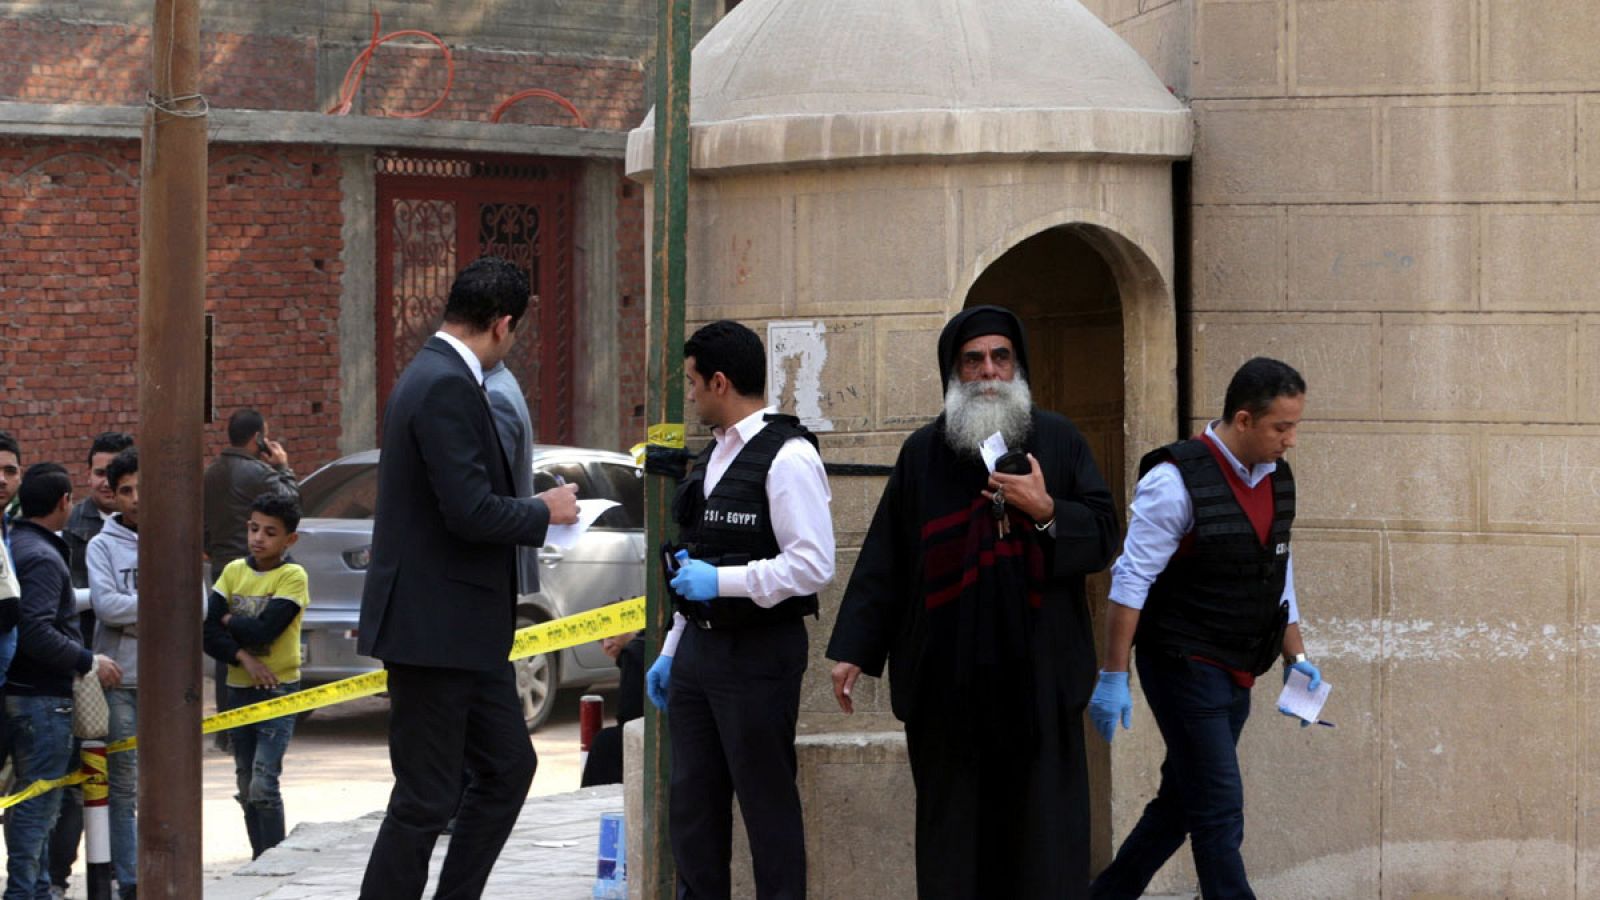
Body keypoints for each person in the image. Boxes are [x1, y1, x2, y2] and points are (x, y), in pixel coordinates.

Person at [825, 305, 1119, 899]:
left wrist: (1047, 510)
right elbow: (887, 558)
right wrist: (855, 649)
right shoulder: (922, 454)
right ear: (954, 372)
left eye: (1000, 357)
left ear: (1018, 367)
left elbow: (1105, 535)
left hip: (1038, 684)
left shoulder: (1058, 441)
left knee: (1042, 846)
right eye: (974, 360)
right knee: (954, 848)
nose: (989, 372)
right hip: (948, 687)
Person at [356, 255, 579, 900]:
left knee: (508, 768)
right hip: (434, 630)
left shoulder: (440, 376)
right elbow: (470, 510)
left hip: (465, 633)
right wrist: (546, 510)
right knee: (425, 799)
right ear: (503, 324)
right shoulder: (445, 383)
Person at [1087, 357, 1317, 900]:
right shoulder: (1173, 482)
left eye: (1294, 426)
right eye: (1280, 427)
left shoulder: (1277, 478)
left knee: (1182, 802)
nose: (1290, 440)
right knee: (1218, 809)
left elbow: (1277, 570)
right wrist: (1113, 674)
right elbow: (1130, 582)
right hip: (1182, 663)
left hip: (1238, 663)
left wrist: (1297, 659)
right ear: (1243, 420)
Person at [643, 319, 836, 900]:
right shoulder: (716, 457)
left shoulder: (789, 457)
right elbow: (693, 566)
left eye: (694, 383)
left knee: (767, 809)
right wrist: (673, 650)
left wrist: (721, 581)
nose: (691, 394)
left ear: (720, 382)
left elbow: (813, 565)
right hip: (701, 653)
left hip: (758, 654)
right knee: (694, 812)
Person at [5, 463, 121, 900]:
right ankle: (22, 892)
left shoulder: (16, 544)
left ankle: (33, 887)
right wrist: (86, 658)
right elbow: (35, 629)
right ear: (63, 503)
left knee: (28, 801)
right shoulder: (41, 555)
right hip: (42, 700)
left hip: (22, 694)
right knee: (38, 806)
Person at [203, 492, 310, 859]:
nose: (258, 538)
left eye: (270, 532)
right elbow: (207, 633)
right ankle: (258, 857)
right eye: (253, 528)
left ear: (289, 540)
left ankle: (274, 857)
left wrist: (230, 619)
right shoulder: (233, 571)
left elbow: (268, 630)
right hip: (240, 689)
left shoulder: (293, 576)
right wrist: (244, 659)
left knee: (265, 781)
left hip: (279, 690)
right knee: (246, 781)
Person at [52, 429, 134, 897]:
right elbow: (85, 602)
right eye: (100, 472)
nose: (106, 483)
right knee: (69, 784)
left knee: (121, 784)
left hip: (122, 667)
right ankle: (59, 877)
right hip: (73, 663)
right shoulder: (73, 528)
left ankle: (124, 874)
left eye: (116, 475)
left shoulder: (153, 528)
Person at [204, 409, 297, 752]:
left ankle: (228, 728)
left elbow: (201, 524)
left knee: (225, 647)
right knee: (262, 638)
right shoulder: (260, 472)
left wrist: (211, 549)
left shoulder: (210, 473)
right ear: (257, 437)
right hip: (258, 568)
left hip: (221, 568)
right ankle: (263, 723)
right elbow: (290, 505)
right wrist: (283, 467)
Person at [86, 447, 141, 899]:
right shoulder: (102, 545)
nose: (137, 497)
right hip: (119, 681)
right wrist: (161, 608)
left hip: (167, 684)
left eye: (144, 487)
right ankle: (131, 879)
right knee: (122, 788)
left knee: (165, 782)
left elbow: (197, 605)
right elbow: (107, 606)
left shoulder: (175, 536)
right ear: (115, 495)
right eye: (126, 490)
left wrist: (138, 615)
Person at [579, 631, 644, 787]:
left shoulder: (633, 654)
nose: (606, 645)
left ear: (633, 628)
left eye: (612, 636)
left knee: (605, 742)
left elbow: (629, 715)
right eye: (601, 641)